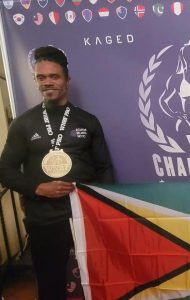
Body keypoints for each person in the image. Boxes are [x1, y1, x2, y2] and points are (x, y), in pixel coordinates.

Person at [0, 46, 114, 299]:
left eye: (54, 76)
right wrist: (38, 187)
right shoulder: (23, 123)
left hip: (84, 215)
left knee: (98, 278)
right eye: (41, 78)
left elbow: (104, 168)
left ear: (66, 79)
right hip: (44, 218)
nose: (47, 82)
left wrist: (104, 212)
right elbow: (4, 170)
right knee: (50, 282)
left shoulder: (87, 121)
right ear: (36, 81)